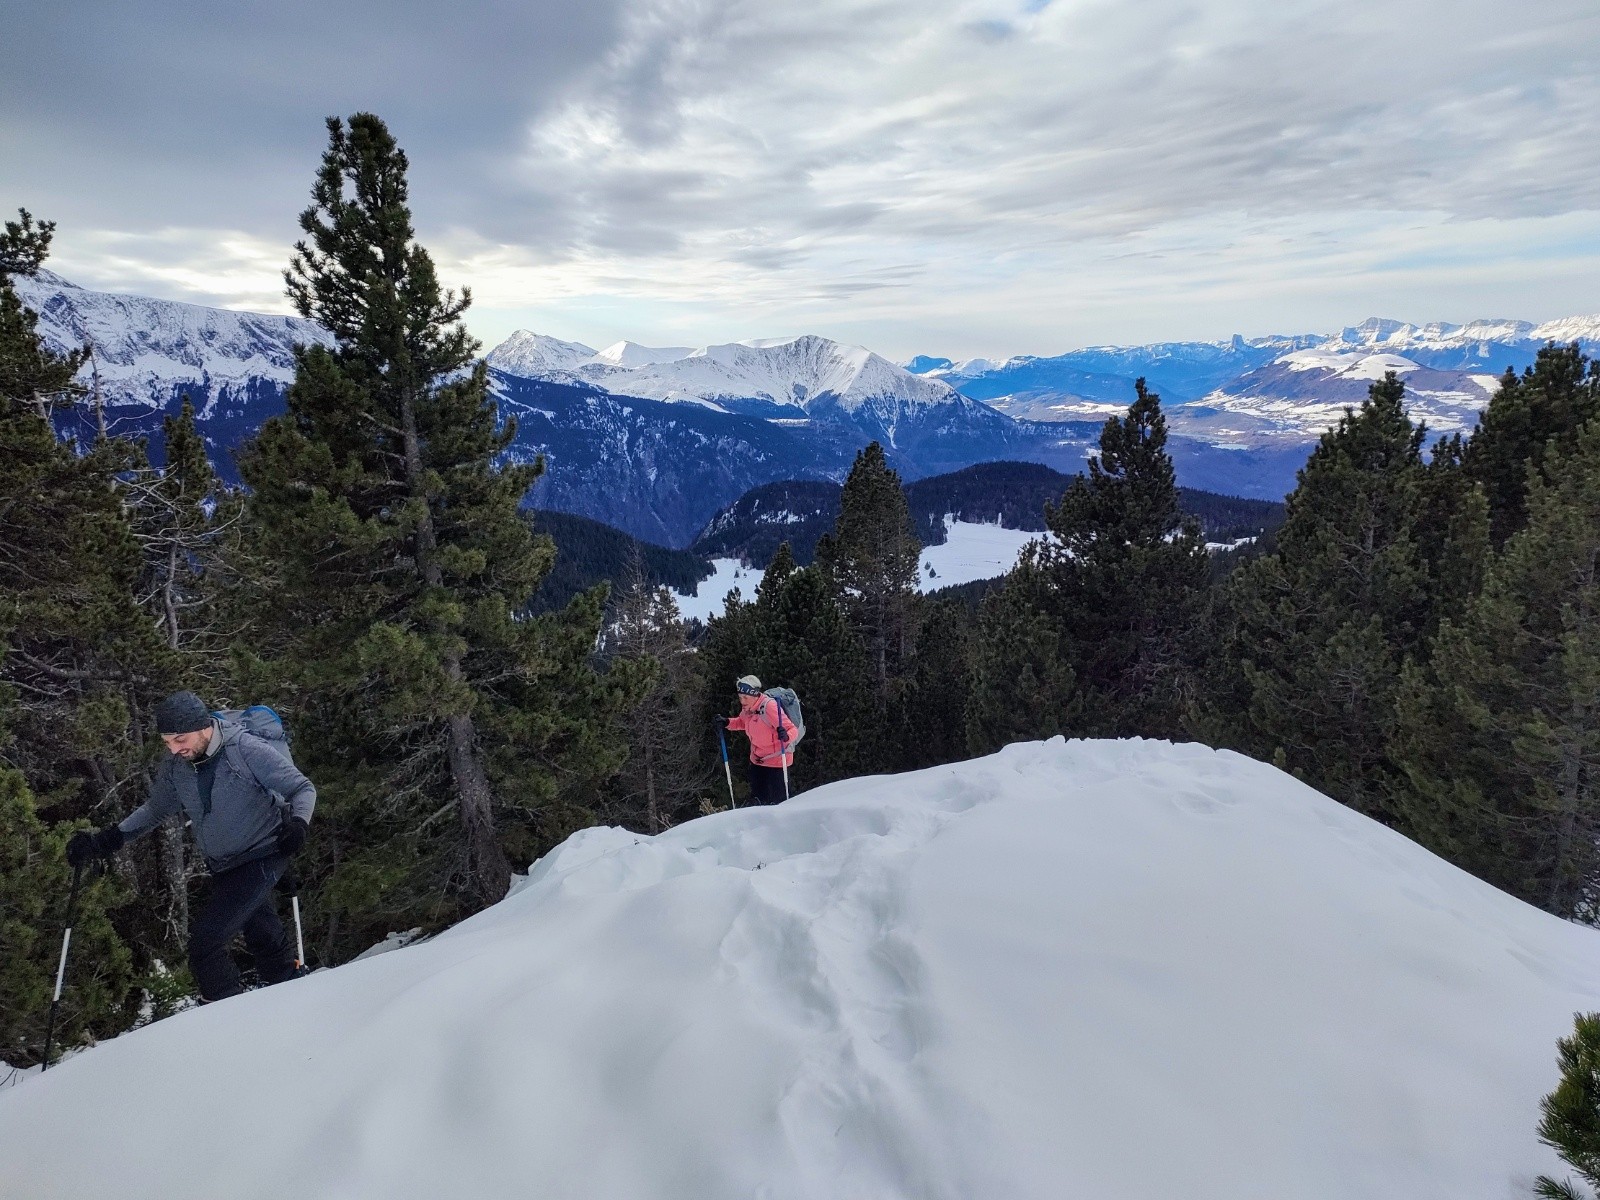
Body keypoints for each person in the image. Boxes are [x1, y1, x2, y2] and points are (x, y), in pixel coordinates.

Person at [66, 691, 317, 1002]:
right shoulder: (175, 765)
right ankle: (291, 994)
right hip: (224, 865)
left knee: (206, 943)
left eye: (180, 739)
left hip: (263, 853)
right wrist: (108, 839)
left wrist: (299, 824)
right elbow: (156, 809)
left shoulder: (244, 749)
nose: (174, 749)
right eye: (167, 742)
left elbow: (301, 787)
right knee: (263, 935)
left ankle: (225, 1016)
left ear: (203, 727)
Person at [717, 674, 794, 805]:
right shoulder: (748, 709)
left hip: (777, 762)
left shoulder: (770, 707)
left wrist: (786, 736)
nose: (742, 701)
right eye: (740, 697)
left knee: (778, 803)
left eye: (745, 697)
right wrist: (727, 722)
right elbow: (742, 722)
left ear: (755, 695)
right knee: (758, 802)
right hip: (758, 761)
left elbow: (791, 729)